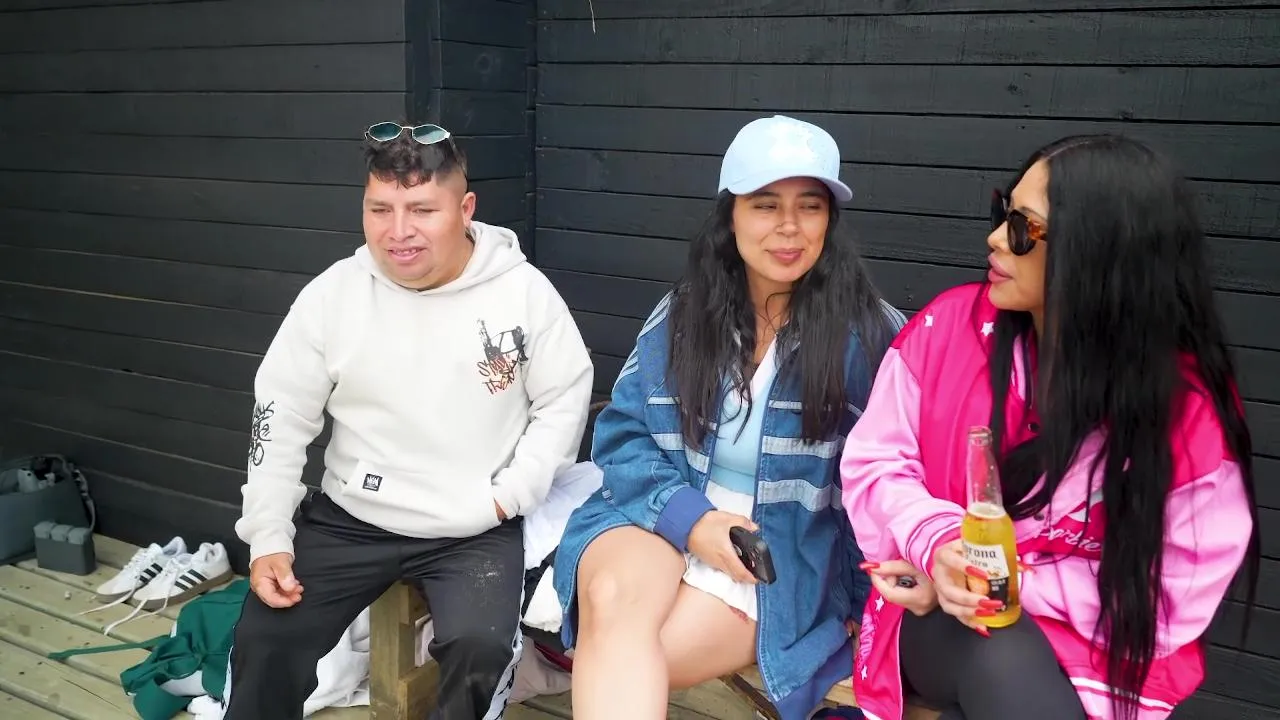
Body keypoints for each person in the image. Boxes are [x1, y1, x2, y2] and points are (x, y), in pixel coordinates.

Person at [839, 134, 1259, 720]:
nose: (994, 238)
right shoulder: (947, 330)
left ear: (1099, 252)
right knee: (1000, 656)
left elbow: (1176, 588)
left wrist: (1014, 580)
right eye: (1002, 212)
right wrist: (939, 546)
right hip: (951, 613)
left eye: (1022, 227)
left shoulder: (1184, 406)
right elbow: (876, 463)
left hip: (1106, 647)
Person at [224, 121, 594, 720]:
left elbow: (563, 399)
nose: (398, 232)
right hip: (353, 515)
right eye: (380, 210)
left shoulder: (524, 294)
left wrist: (509, 496)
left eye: (422, 210)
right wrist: (268, 534)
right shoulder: (333, 295)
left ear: (465, 209)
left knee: (480, 649)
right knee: (266, 638)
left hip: (474, 523)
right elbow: (280, 411)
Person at [551, 114, 907, 720]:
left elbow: (886, 483)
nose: (789, 227)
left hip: (777, 551)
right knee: (612, 602)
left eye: (810, 206)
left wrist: (858, 599)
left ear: (830, 219)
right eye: (765, 205)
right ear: (731, 215)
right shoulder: (684, 314)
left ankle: (538, 667)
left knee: (624, 657)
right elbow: (624, 435)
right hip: (661, 507)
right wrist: (692, 521)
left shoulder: (870, 336)